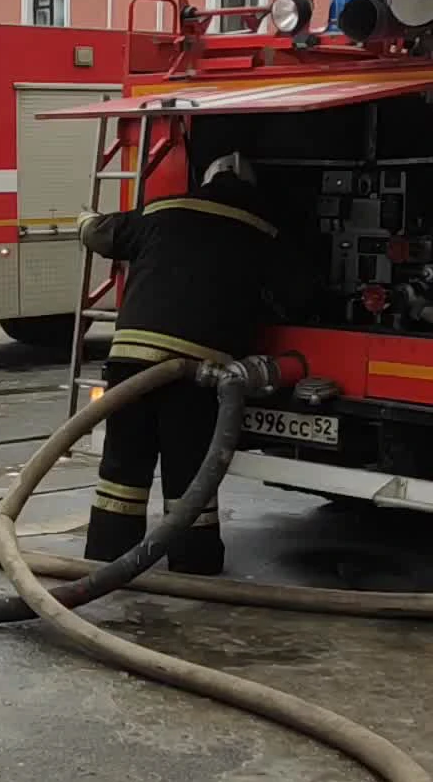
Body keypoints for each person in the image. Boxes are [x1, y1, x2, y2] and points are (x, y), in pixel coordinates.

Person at [74, 151, 282, 576]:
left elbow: (101, 235)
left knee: (122, 469)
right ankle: (194, 562)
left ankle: (107, 558)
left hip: (132, 363)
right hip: (198, 374)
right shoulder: (261, 233)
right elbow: (292, 295)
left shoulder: (164, 210)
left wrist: (83, 219)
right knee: (190, 473)